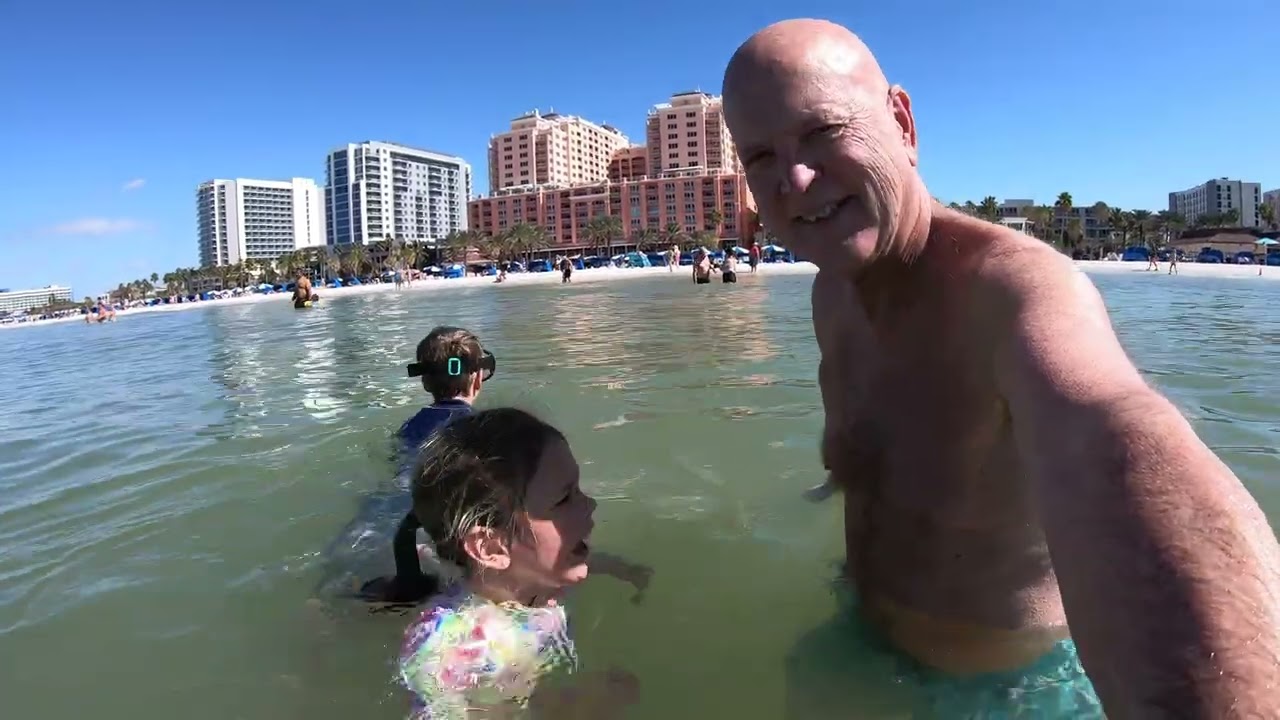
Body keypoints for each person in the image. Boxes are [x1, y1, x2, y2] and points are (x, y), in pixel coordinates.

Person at [723, 18, 1280, 715]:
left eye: (823, 133)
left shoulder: (1016, 291)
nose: (795, 181)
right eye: (761, 158)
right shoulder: (832, 290)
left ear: (902, 123)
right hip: (863, 641)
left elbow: (1118, 440)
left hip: (1008, 695)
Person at [396, 408, 647, 719]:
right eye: (564, 499)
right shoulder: (456, 648)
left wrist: (628, 571)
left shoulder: (539, 576)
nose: (590, 504)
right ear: (491, 547)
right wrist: (574, 709)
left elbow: (585, 560)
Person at [360, 326, 495, 603]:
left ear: (425, 382)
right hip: (439, 533)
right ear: (477, 378)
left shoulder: (407, 428)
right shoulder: (482, 429)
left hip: (385, 527)